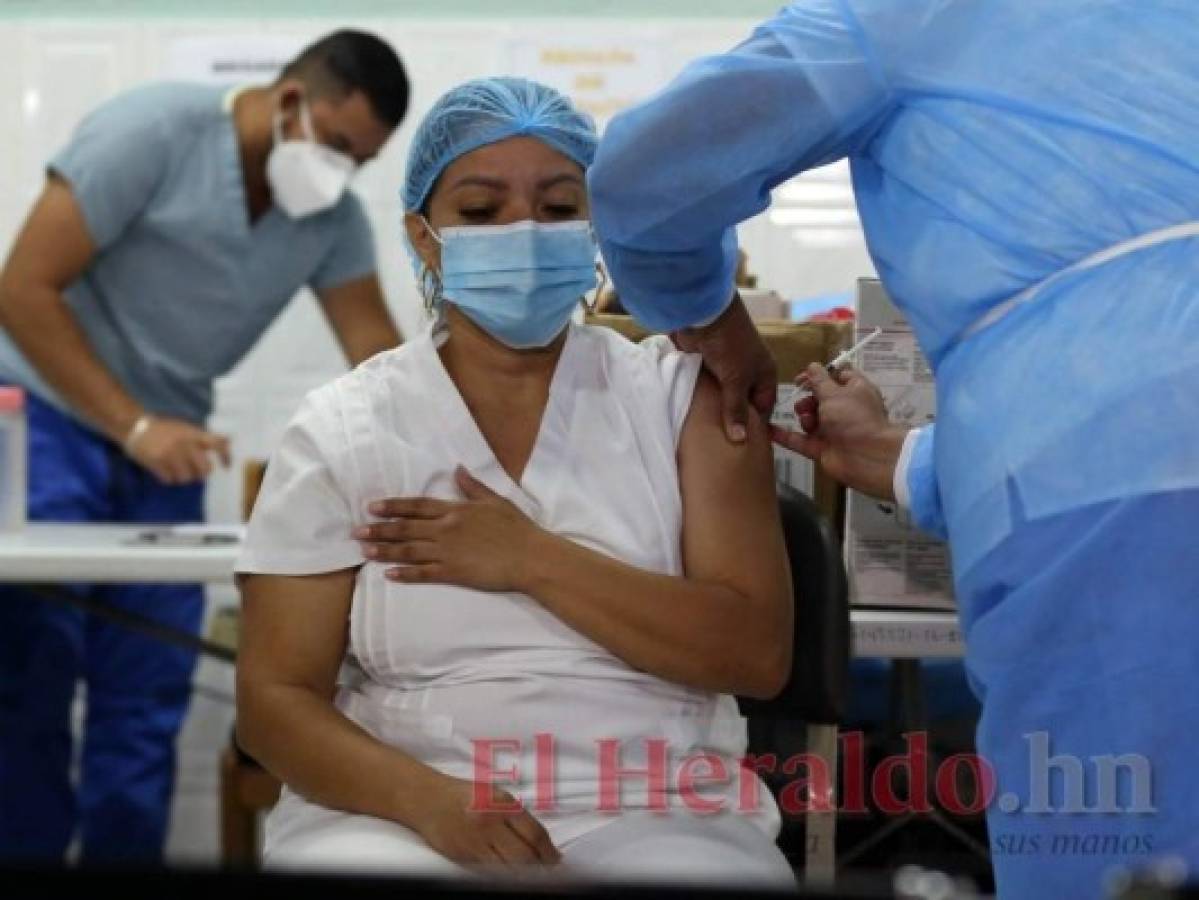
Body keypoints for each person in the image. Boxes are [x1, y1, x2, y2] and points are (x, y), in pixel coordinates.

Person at [587, 2, 1199, 897]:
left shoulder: (906, 13)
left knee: (1122, 846)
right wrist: (911, 462)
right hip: (1116, 482)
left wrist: (706, 317)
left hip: (1123, 514)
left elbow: (645, 177)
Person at [234, 77, 796, 888]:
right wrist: (428, 801)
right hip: (399, 808)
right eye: (480, 210)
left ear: (598, 228)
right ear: (425, 239)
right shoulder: (344, 428)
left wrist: (530, 558)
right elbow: (273, 700)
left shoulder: (684, 400)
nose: (523, 233)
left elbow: (755, 653)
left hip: (653, 802)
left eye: (559, 207)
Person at [0, 31, 408, 862]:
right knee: (28, 681)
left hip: (167, 453)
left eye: (360, 160)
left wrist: (451, 432)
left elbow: (378, 359)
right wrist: (132, 425)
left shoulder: (328, 220)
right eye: (336, 145)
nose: (340, 173)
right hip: (45, 425)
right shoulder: (152, 131)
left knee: (144, 700)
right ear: (289, 100)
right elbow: (21, 289)